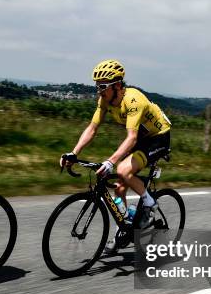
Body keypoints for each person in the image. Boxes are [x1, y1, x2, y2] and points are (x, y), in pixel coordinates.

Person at [61, 59, 171, 252]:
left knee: (122, 169)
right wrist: (74, 152)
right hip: (140, 139)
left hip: (158, 138)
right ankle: (126, 229)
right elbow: (92, 128)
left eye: (102, 86)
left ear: (117, 85)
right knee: (119, 190)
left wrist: (111, 161)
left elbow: (131, 137)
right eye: (97, 86)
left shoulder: (133, 99)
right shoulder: (104, 100)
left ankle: (150, 202)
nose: (99, 90)